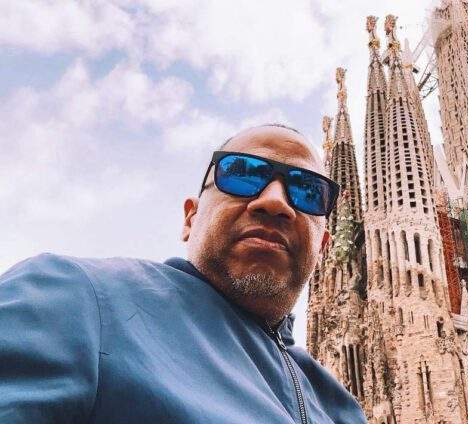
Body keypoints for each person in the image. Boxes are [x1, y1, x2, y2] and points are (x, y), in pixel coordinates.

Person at [0, 124, 367, 423]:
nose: (274, 201)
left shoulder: (339, 406)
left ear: (323, 248)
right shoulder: (74, 296)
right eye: (242, 173)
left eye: (307, 191)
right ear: (191, 217)